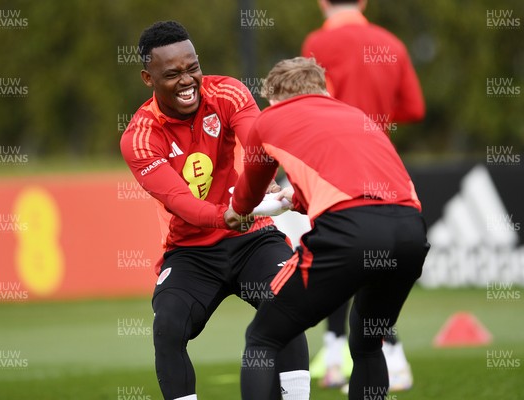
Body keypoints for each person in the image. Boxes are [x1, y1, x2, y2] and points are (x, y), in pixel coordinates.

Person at [120, 21, 310, 400]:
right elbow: (179, 201)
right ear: (148, 77)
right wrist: (225, 215)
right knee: (168, 328)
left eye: (192, 67)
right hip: (191, 250)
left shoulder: (228, 92)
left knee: (286, 300)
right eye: (172, 74)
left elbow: (259, 146)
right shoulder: (139, 137)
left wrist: (260, 183)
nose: (188, 80)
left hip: (251, 238)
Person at [229, 57, 429, 400]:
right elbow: (356, 182)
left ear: (274, 97)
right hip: (410, 230)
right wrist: (299, 197)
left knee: (263, 338)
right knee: (367, 341)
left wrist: (236, 212)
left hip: (351, 230)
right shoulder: (355, 114)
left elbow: (248, 192)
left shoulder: (269, 119)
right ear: (321, 89)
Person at [301, 0, 425, 390]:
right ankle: (348, 356)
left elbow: (312, 103)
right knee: (362, 264)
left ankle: (363, 357)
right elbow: (414, 108)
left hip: (337, 166)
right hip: (383, 166)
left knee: (335, 257)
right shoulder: (390, 42)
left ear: (322, 2)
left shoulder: (319, 42)